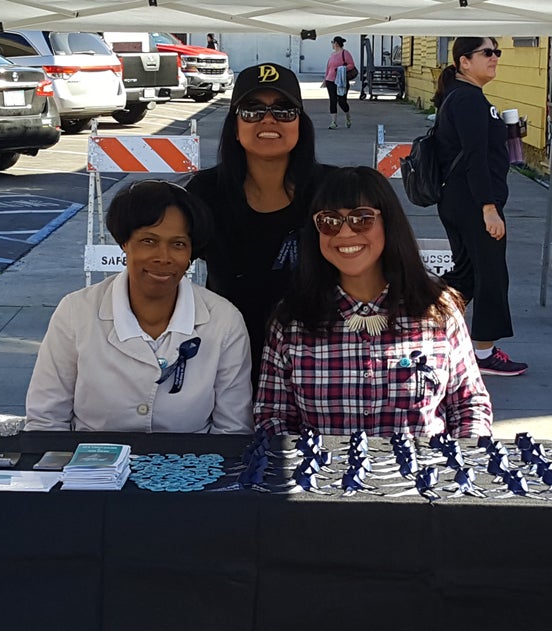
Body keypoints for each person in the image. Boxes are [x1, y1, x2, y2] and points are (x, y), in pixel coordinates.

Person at [255, 166, 492, 439]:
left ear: (388, 223)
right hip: (321, 480)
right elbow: (272, 417)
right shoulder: (291, 321)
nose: (344, 234)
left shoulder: (439, 312)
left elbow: (469, 405)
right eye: (329, 222)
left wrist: (462, 466)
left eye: (362, 219)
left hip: (424, 479)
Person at [26, 180, 253, 433]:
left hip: (190, 470)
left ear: (191, 253)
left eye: (178, 244)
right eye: (148, 241)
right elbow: (46, 422)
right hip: (89, 467)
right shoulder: (75, 313)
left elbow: (233, 431)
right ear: (124, 243)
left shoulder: (224, 321)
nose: (163, 257)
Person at [185, 63, 332, 379]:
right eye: (252, 110)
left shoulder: (333, 190)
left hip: (318, 358)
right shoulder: (205, 192)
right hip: (228, 356)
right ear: (235, 126)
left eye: (284, 110)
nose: (268, 119)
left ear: (300, 125)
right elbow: (167, 263)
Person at [432, 37, 528, 377]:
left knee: (466, 275)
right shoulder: (469, 99)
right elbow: (475, 157)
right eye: (487, 52)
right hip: (474, 203)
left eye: (497, 52)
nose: (495, 58)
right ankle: (484, 353)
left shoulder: (463, 98)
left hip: (459, 199)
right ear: (464, 61)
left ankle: (422, 320)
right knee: (491, 275)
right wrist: (489, 208)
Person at [322, 36, 355, 130]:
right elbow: (328, 68)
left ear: (336, 43)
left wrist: (342, 68)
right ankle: (334, 122)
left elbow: (351, 65)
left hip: (341, 81)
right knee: (332, 101)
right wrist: (325, 79)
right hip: (330, 80)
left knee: (342, 101)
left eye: (332, 42)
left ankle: (348, 117)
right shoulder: (332, 55)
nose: (332, 44)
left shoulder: (345, 53)